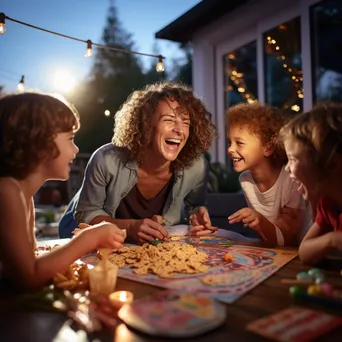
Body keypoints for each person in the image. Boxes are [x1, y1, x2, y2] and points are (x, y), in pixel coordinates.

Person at [59, 81, 218, 243]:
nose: (179, 130)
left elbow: (194, 205)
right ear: (146, 124)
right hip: (80, 236)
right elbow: (86, 214)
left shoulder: (196, 167)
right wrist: (129, 228)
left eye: (186, 123)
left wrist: (196, 214)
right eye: (169, 120)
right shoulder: (106, 159)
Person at [0, 92, 126, 291]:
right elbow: (28, 277)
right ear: (40, 143)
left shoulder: (24, 197)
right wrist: (89, 238)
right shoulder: (7, 192)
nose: (76, 149)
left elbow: (29, 261)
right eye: (70, 139)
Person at [226, 102, 309, 245]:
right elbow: (271, 239)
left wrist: (259, 220)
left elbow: (287, 239)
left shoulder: (291, 179)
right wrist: (259, 222)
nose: (230, 149)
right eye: (229, 142)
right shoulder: (246, 180)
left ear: (268, 148)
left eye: (239, 143)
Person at [280, 102, 342, 264]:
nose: (287, 168)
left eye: (293, 159)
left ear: (332, 164)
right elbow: (305, 251)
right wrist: (333, 239)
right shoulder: (328, 204)